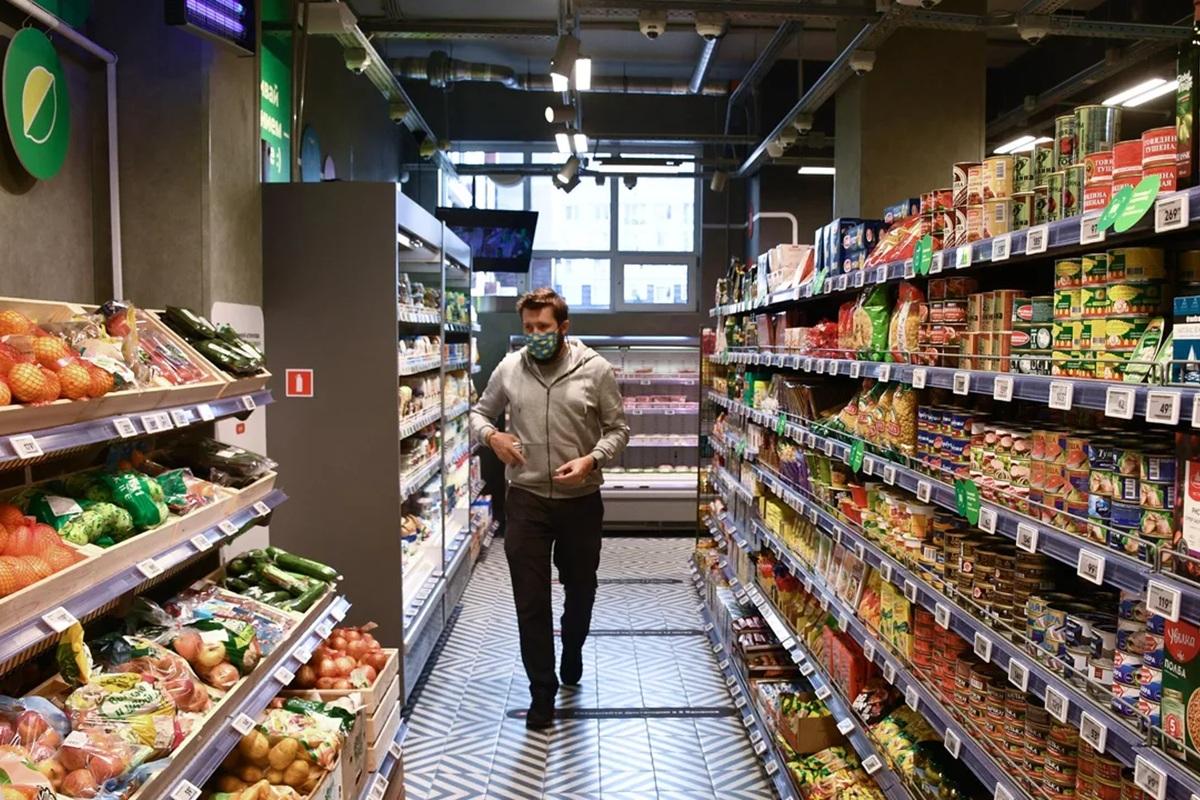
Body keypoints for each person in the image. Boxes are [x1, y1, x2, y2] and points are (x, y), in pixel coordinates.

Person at [469, 287, 630, 729]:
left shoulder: (595, 370)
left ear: (563, 327)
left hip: (581, 501)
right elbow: (479, 414)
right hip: (526, 500)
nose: (535, 335)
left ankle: (572, 647)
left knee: (581, 590)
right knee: (530, 601)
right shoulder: (509, 368)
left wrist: (591, 460)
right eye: (528, 328)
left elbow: (618, 430)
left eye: (543, 327)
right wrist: (492, 437)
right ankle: (542, 692)